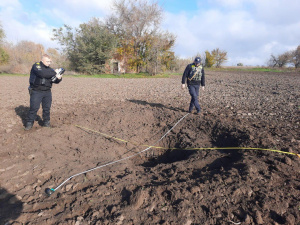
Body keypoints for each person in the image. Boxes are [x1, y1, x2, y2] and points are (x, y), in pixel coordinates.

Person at [25, 54, 63, 130]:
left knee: (46, 108)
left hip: (47, 92)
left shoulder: (50, 70)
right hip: (36, 91)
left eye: (50, 61)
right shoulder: (36, 66)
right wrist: (55, 73)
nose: (49, 63)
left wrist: (59, 78)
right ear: (42, 60)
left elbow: (55, 80)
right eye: (47, 61)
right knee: (34, 108)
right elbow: (42, 73)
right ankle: (29, 123)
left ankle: (46, 123)